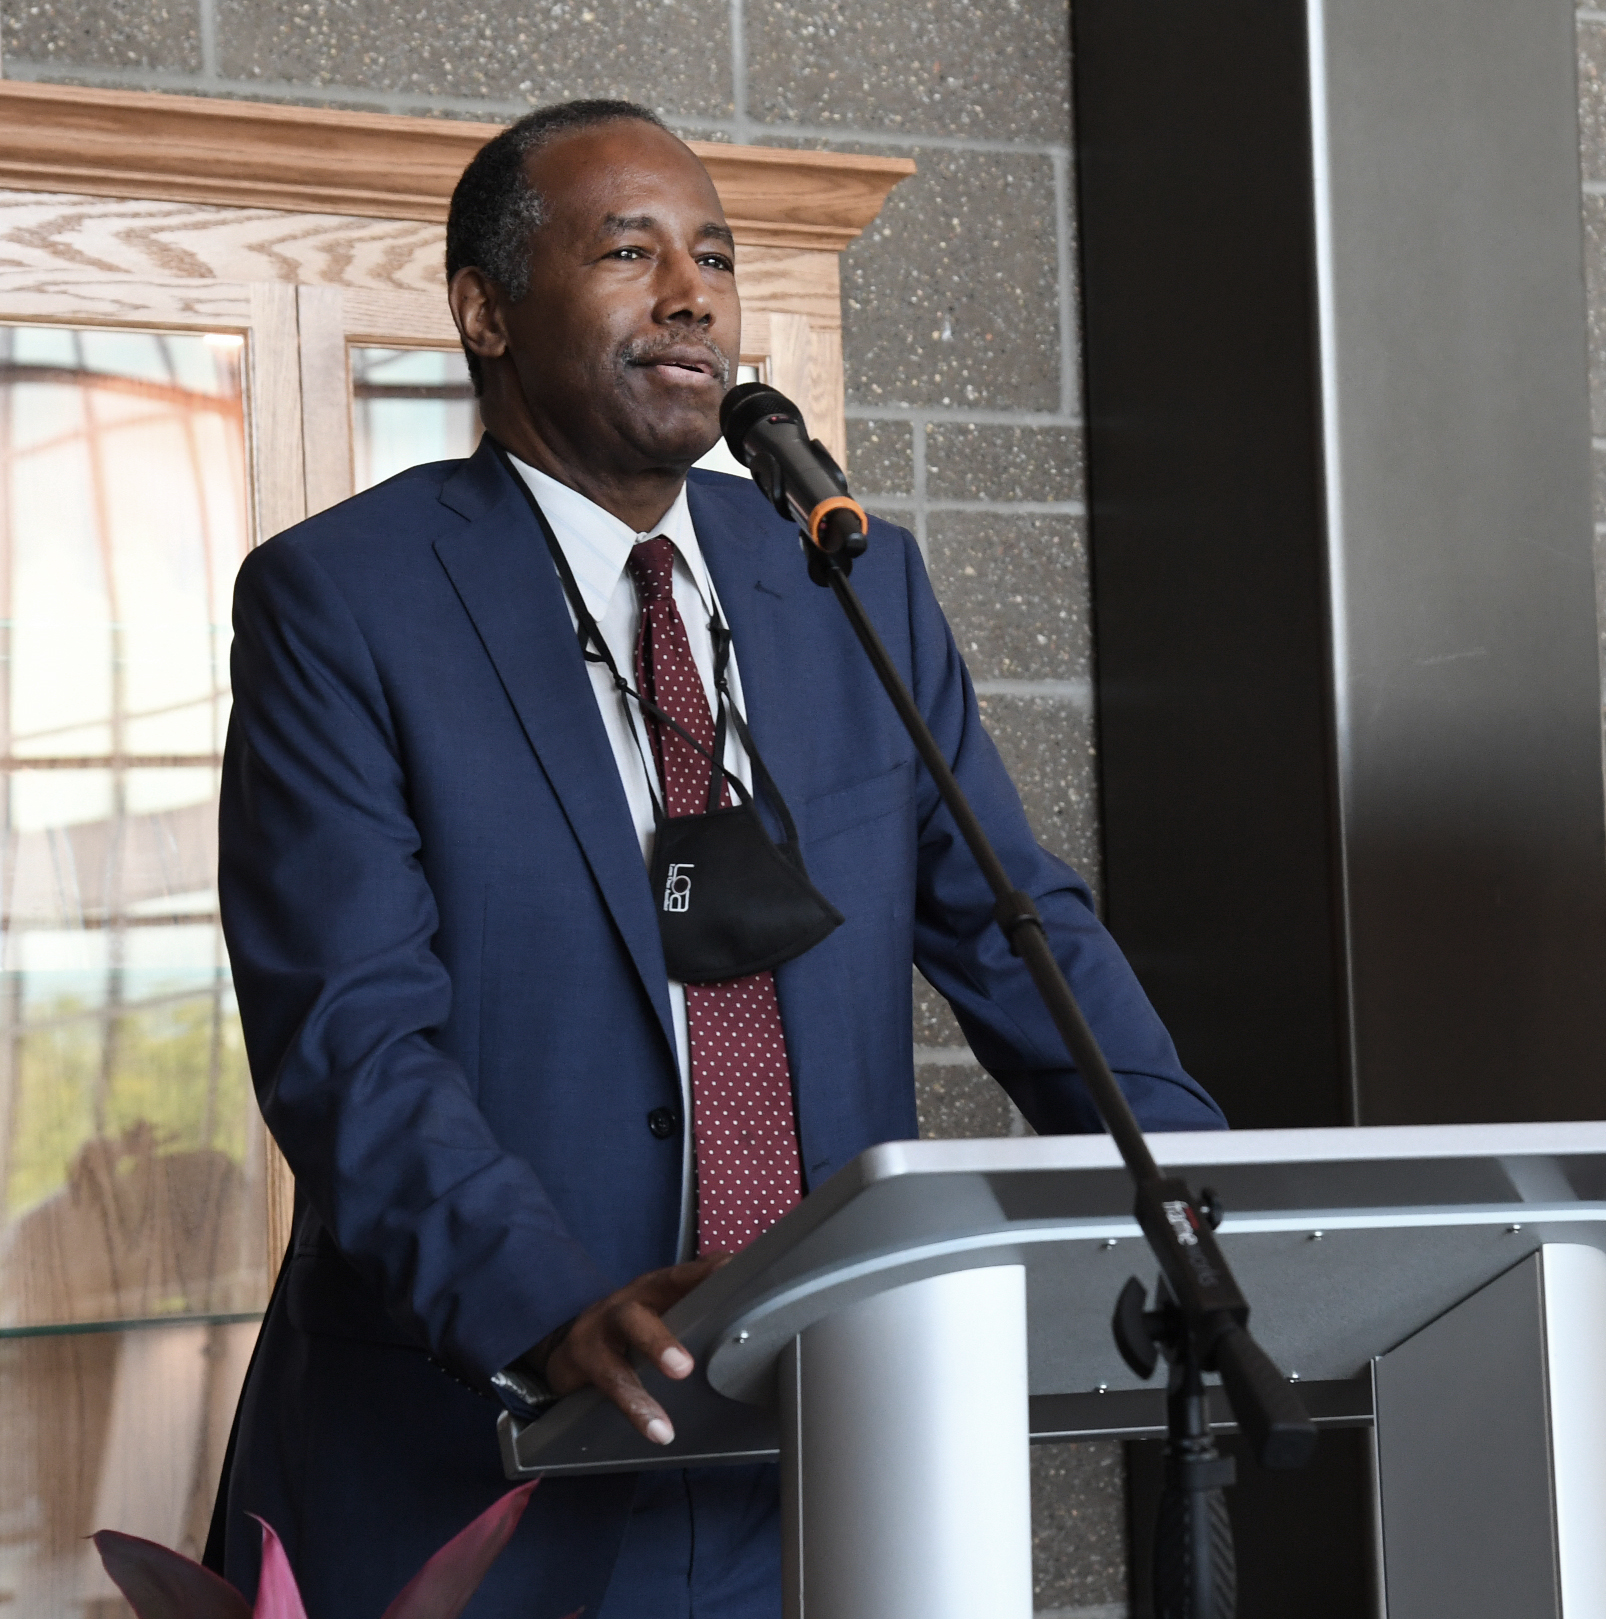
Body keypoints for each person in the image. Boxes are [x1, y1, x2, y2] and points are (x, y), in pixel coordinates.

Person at [208, 98, 1225, 1619]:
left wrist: (1188, 1181)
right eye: (628, 250)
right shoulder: (343, 604)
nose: (691, 293)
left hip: (816, 1442)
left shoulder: (842, 578)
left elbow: (1022, 926)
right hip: (479, 1458)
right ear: (483, 308)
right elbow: (349, 1037)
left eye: (717, 259)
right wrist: (546, 1310)